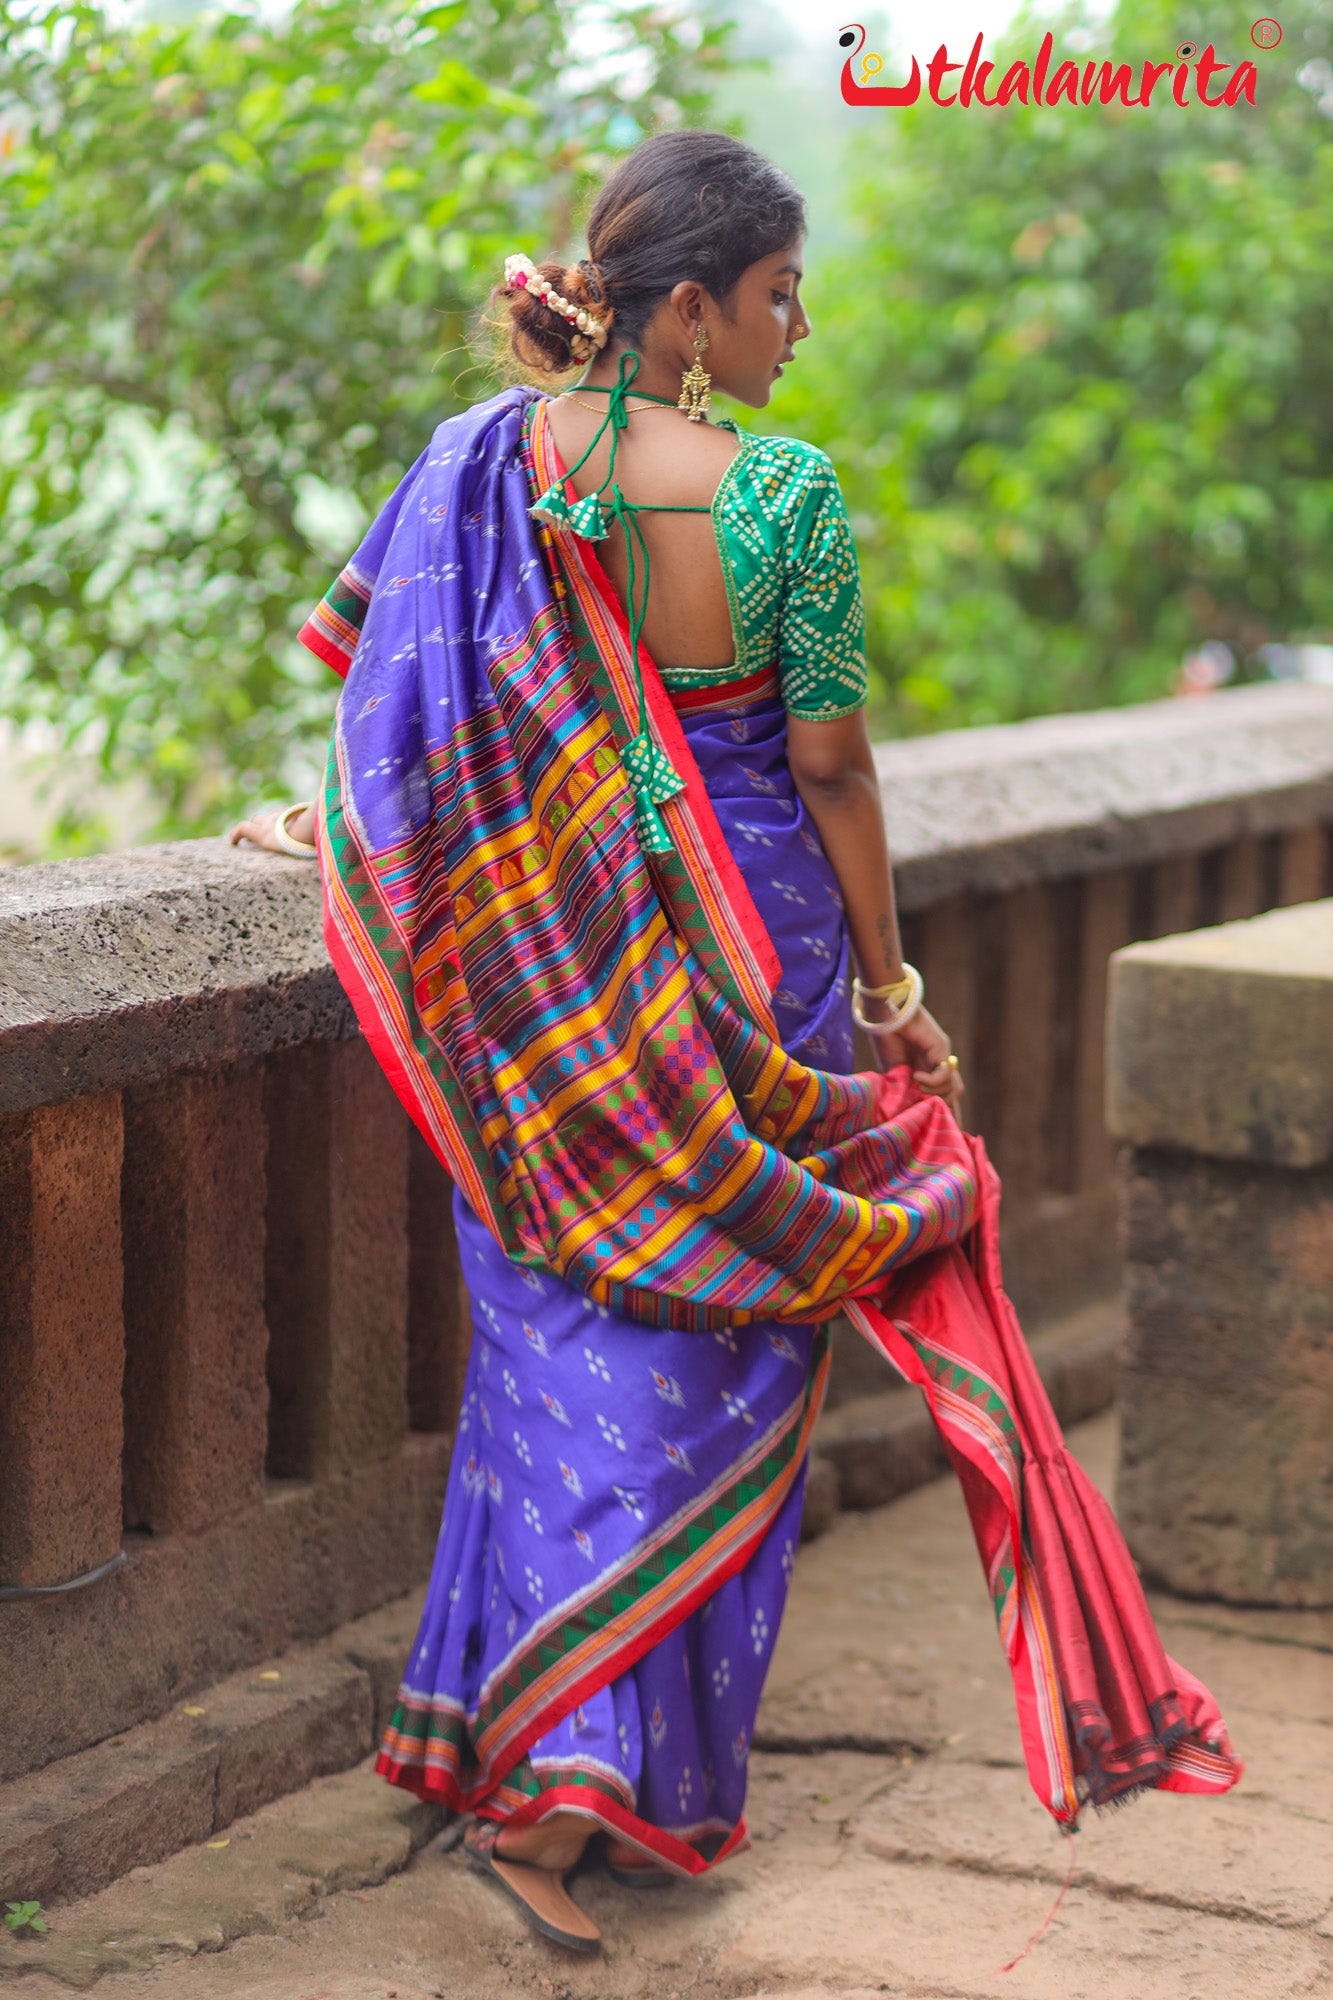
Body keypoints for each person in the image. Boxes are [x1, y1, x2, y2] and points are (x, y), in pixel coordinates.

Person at [231, 130, 1240, 1957]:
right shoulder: (776, 496)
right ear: (686, 308)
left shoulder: (478, 462)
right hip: (750, 965)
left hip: (550, 997)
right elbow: (833, 768)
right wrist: (887, 993)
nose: (800, 323)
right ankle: (574, 1800)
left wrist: (336, 823)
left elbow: (401, 708)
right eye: (778, 292)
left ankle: (544, 1767)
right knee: (728, 1372)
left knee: (559, 1358)